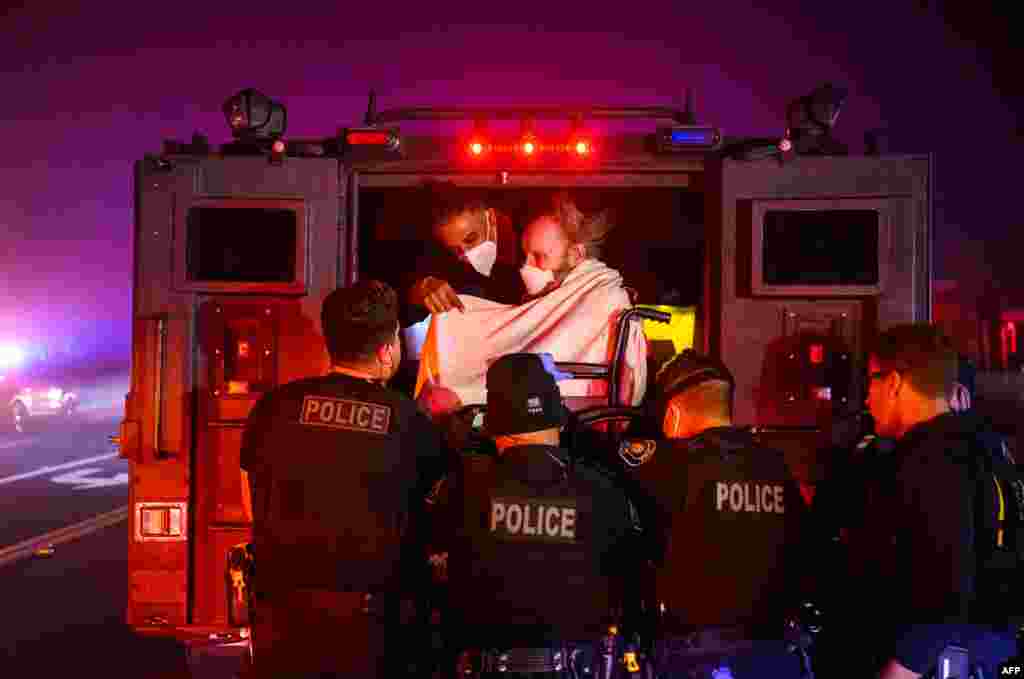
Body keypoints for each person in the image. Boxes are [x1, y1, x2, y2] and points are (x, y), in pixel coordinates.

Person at [239, 280, 449, 678]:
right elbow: (435, 520)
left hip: (284, 624)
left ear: (330, 342)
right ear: (387, 352)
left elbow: (251, 506)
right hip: (374, 633)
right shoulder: (409, 420)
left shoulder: (272, 408)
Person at [444, 353, 639, 677]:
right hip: (579, 669)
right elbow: (629, 582)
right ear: (560, 418)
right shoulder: (603, 490)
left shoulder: (463, 487)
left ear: (491, 423)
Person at [625, 349, 809, 678]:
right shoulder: (776, 464)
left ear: (672, 416)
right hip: (775, 653)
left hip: (697, 657)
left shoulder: (671, 461)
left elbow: (598, 461)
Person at [858, 324, 1016, 679]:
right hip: (990, 654)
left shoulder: (929, 459)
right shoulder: (992, 451)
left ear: (895, 382)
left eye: (871, 381)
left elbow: (945, 585)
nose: (867, 398)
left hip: (935, 663)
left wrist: (902, 669)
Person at [395, 181, 525, 397]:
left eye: (471, 239)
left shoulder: (532, 249)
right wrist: (421, 289)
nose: (466, 254)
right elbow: (406, 301)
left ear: (490, 219)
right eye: (456, 250)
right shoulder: (452, 270)